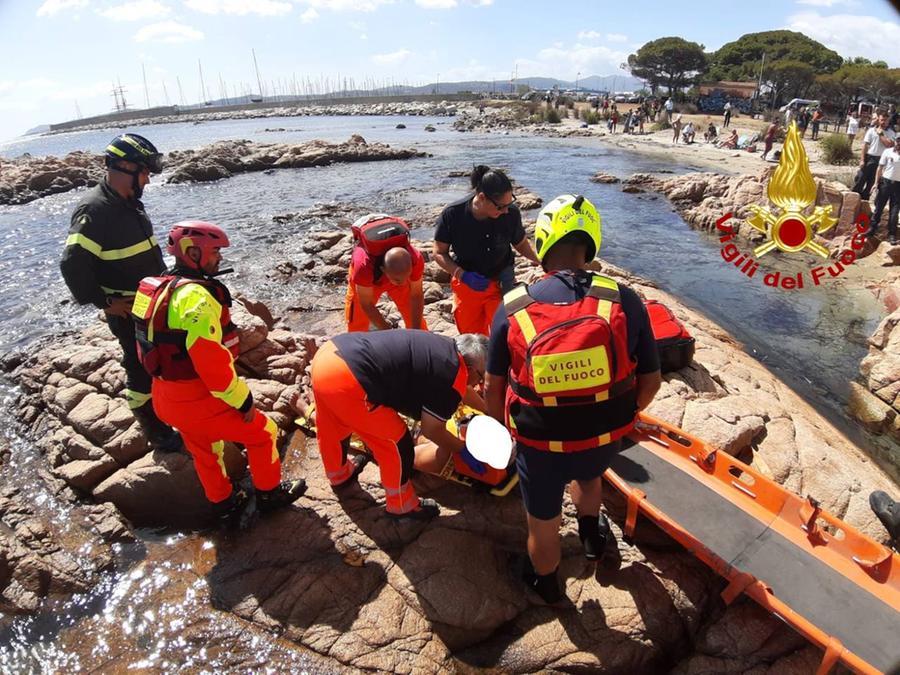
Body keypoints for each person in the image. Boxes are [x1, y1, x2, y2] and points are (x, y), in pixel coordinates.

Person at [485, 194, 661, 603]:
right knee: (589, 476)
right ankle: (591, 537)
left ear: (543, 242)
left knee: (542, 524)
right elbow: (650, 381)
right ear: (590, 243)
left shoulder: (512, 308)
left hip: (539, 445)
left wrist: (502, 437)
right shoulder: (623, 299)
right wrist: (623, 415)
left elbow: (494, 390)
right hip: (602, 438)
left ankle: (546, 585)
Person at [132, 221, 306, 523]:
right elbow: (210, 363)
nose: (220, 258)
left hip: (164, 397)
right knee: (263, 432)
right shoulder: (197, 298)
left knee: (203, 448)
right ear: (192, 252)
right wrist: (243, 401)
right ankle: (269, 494)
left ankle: (223, 501)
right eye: (215, 251)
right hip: (196, 398)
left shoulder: (155, 288)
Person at [60, 133, 181, 453]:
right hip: (128, 309)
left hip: (151, 300)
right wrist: (105, 302)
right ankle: (155, 430)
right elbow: (72, 263)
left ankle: (169, 410)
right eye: (144, 171)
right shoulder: (95, 209)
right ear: (125, 166)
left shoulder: (129, 202)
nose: (148, 177)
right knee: (139, 367)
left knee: (162, 359)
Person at [308, 330, 488, 520]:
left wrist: (487, 410)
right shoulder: (451, 374)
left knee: (333, 426)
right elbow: (432, 429)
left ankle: (339, 476)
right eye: (481, 376)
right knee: (397, 444)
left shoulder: (447, 350)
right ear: (468, 368)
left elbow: (463, 389)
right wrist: (461, 449)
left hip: (329, 357)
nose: (480, 383)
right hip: (350, 381)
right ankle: (402, 506)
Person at [433, 166, 540, 336]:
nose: (506, 210)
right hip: (468, 284)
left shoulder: (510, 214)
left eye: (509, 203)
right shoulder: (453, 215)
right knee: (472, 338)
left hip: (501, 282)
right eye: (500, 206)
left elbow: (520, 244)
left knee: (507, 334)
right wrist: (461, 274)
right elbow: (439, 253)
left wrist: (541, 261)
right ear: (482, 197)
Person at [344, 214, 426, 332]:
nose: (402, 283)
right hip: (372, 278)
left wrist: (417, 332)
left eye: (407, 277)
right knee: (357, 325)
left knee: (415, 320)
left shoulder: (415, 259)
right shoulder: (363, 266)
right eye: (398, 281)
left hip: (397, 272)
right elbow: (366, 304)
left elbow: (416, 295)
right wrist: (388, 333)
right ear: (383, 270)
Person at [853, 111, 897, 201]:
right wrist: (862, 160)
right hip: (870, 158)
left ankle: (864, 205)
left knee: (871, 184)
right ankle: (852, 200)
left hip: (881, 161)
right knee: (860, 180)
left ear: (889, 121)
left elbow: (889, 145)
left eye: (886, 120)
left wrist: (880, 134)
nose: (883, 122)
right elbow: (865, 146)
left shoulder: (891, 133)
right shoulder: (871, 131)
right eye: (882, 120)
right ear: (878, 120)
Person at [867, 143, 900, 244]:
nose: (899, 143)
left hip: (898, 186)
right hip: (885, 182)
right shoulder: (887, 151)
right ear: (895, 141)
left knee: (894, 211)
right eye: (898, 140)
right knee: (879, 207)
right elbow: (880, 168)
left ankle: (892, 234)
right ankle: (872, 228)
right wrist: (876, 183)